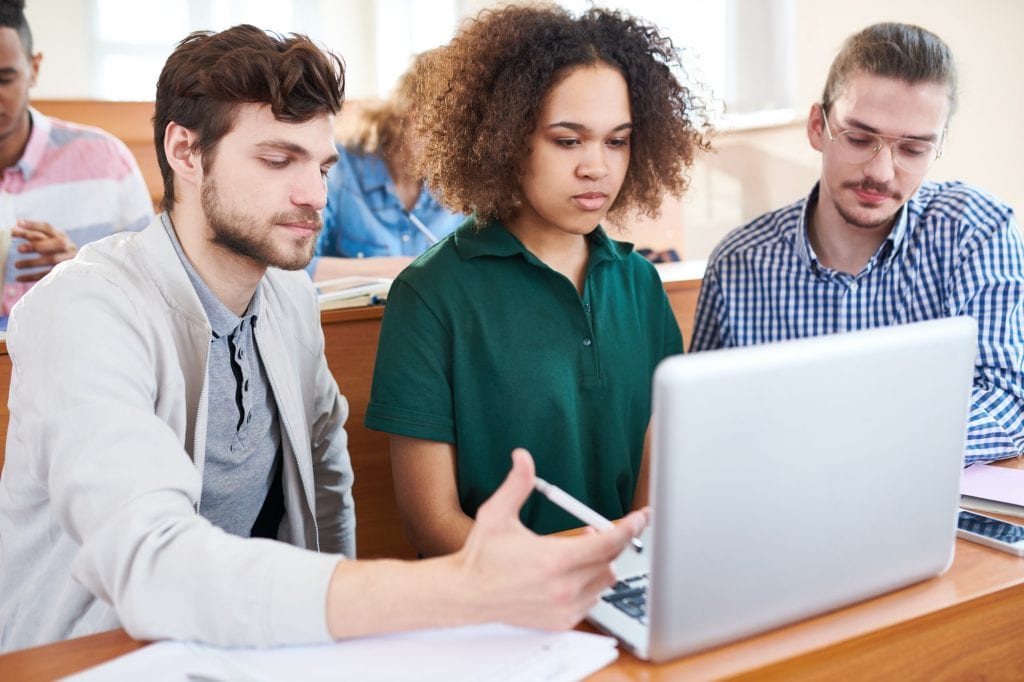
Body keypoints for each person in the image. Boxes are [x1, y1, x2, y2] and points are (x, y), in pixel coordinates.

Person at [0, 24, 646, 653]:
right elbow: (151, 563)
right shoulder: (84, 310)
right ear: (185, 151)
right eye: (279, 160)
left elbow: (328, 496)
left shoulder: (285, 298)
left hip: (252, 651)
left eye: (323, 165)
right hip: (93, 657)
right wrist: (448, 587)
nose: (313, 195)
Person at [365, 5, 710, 556]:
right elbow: (432, 525)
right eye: (568, 140)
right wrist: (550, 576)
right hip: (501, 604)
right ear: (505, 138)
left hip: (625, 588)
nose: (597, 167)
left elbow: (653, 495)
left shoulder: (641, 286)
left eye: (617, 141)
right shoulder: (431, 296)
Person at [690, 22, 1024, 464]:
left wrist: (854, 447)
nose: (882, 172)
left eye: (912, 150)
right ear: (817, 127)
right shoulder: (739, 264)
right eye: (860, 138)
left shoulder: (976, 231)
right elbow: (705, 429)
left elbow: (1008, 401)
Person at [0, 0, 152, 324]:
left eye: (4, 79)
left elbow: (154, 285)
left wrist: (85, 270)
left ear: (34, 69)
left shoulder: (106, 161)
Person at [309, 51, 464, 281]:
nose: (450, 140)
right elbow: (296, 270)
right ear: (406, 110)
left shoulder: (462, 188)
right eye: (440, 121)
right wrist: (408, 270)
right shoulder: (339, 170)